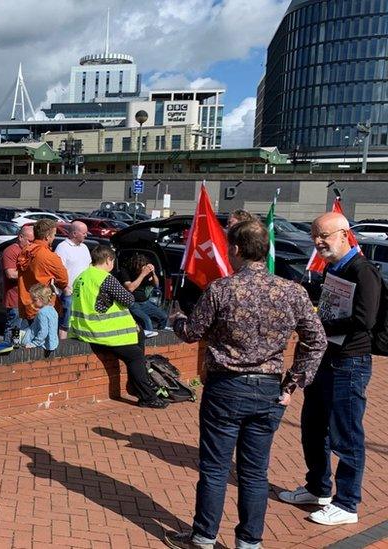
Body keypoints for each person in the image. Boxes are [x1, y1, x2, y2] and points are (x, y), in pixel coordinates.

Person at [163, 220, 326, 549]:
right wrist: (292, 385)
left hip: (226, 388)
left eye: (229, 247)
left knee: (215, 467)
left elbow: (193, 332)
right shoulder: (292, 291)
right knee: (254, 473)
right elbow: (317, 341)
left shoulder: (223, 289)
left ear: (236, 249)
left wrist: (177, 317)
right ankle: (249, 542)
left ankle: (204, 536)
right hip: (268, 389)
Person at [277, 212, 380, 526]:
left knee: (346, 435)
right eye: (314, 236)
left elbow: (365, 321)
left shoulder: (363, 271)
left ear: (345, 234)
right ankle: (318, 488)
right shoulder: (333, 268)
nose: (318, 242)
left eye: (324, 235)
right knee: (312, 426)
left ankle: (347, 503)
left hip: (349, 362)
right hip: (326, 358)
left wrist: (320, 324)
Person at [69, 244, 166, 409]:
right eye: (113, 261)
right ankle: (146, 396)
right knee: (135, 356)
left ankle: (136, 385)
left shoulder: (81, 277)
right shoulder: (105, 278)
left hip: (84, 330)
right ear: (108, 260)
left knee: (140, 334)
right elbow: (128, 299)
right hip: (103, 332)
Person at [17, 219, 68, 340]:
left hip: (26, 305)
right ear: (47, 236)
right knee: (44, 345)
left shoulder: (25, 251)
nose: (54, 238)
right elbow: (64, 281)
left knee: (27, 344)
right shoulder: (49, 256)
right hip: (44, 307)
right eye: (54, 235)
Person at [54, 220, 91, 339]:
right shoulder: (62, 248)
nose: (86, 235)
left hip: (83, 292)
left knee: (79, 321)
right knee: (65, 322)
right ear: (74, 233)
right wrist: (65, 288)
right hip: (68, 293)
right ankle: (62, 347)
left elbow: (89, 267)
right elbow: (57, 271)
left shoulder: (84, 247)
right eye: (84, 233)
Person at [118, 253, 167, 336]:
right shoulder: (124, 271)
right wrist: (142, 274)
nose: (141, 269)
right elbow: (130, 288)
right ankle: (148, 342)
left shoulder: (145, 272)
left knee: (163, 317)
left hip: (145, 302)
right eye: (139, 267)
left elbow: (156, 285)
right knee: (146, 320)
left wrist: (153, 273)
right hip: (132, 303)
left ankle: (160, 337)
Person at [1, 225, 34, 342]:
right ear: (20, 237)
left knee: (22, 331)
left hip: (27, 300)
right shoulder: (10, 251)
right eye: (29, 241)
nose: (31, 244)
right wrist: (30, 274)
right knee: (13, 328)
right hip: (15, 300)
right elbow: (10, 274)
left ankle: (17, 352)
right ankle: (8, 353)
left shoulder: (29, 252)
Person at [20, 283, 59, 351]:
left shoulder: (42, 312)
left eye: (34, 300)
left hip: (36, 342)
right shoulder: (53, 310)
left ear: (41, 299)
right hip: (53, 343)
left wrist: (34, 343)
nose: (32, 302)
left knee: (16, 334)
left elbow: (44, 331)